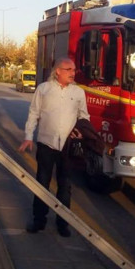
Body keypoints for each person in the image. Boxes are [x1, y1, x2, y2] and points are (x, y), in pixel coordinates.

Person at [19, 57, 89, 237]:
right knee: (42, 182)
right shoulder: (44, 89)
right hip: (46, 144)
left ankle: (62, 222)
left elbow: (84, 117)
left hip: (67, 147)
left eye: (74, 69)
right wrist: (28, 136)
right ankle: (39, 220)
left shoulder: (79, 92)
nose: (73, 73)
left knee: (65, 186)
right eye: (68, 69)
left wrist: (81, 132)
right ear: (58, 71)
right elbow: (34, 113)